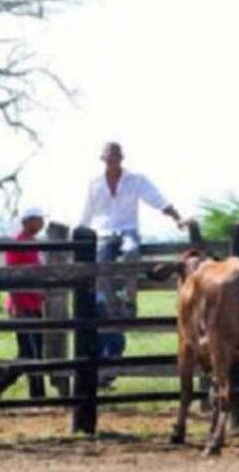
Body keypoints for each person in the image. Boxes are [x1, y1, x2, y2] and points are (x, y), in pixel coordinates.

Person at [78, 142, 187, 383]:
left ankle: (129, 300)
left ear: (122, 158)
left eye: (116, 156)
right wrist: (77, 238)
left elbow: (158, 200)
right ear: (103, 158)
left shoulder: (135, 180)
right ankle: (113, 302)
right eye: (109, 156)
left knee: (131, 253)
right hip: (105, 232)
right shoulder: (95, 184)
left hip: (128, 229)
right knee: (102, 262)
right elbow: (86, 215)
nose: (112, 160)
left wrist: (178, 218)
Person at [0, 207, 47, 400]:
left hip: (34, 303)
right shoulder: (17, 243)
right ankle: (36, 395)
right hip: (23, 304)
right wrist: (17, 304)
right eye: (38, 220)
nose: (41, 224)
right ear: (28, 221)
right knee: (32, 352)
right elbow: (11, 275)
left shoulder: (33, 244)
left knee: (30, 350)